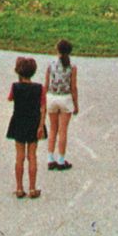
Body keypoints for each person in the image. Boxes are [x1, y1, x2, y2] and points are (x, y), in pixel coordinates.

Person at [6, 56, 47, 198]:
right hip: (34, 122)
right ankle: (32, 188)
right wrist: (41, 125)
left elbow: (10, 98)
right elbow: (43, 108)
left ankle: (18, 188)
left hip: (18, 122)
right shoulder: (40, 88)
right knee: (32, 156)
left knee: (19, 156)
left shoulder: (15, 87)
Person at [43, 39, 79, 170]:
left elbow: (46, 84)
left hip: (52, 97)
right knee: (63, 130)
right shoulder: (72, 66)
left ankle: (50, 158)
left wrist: (43, 101)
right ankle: (61, 159)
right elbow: (73, 87)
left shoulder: (50, 64)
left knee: (53, 128)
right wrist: (76, 104)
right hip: (65, 98)